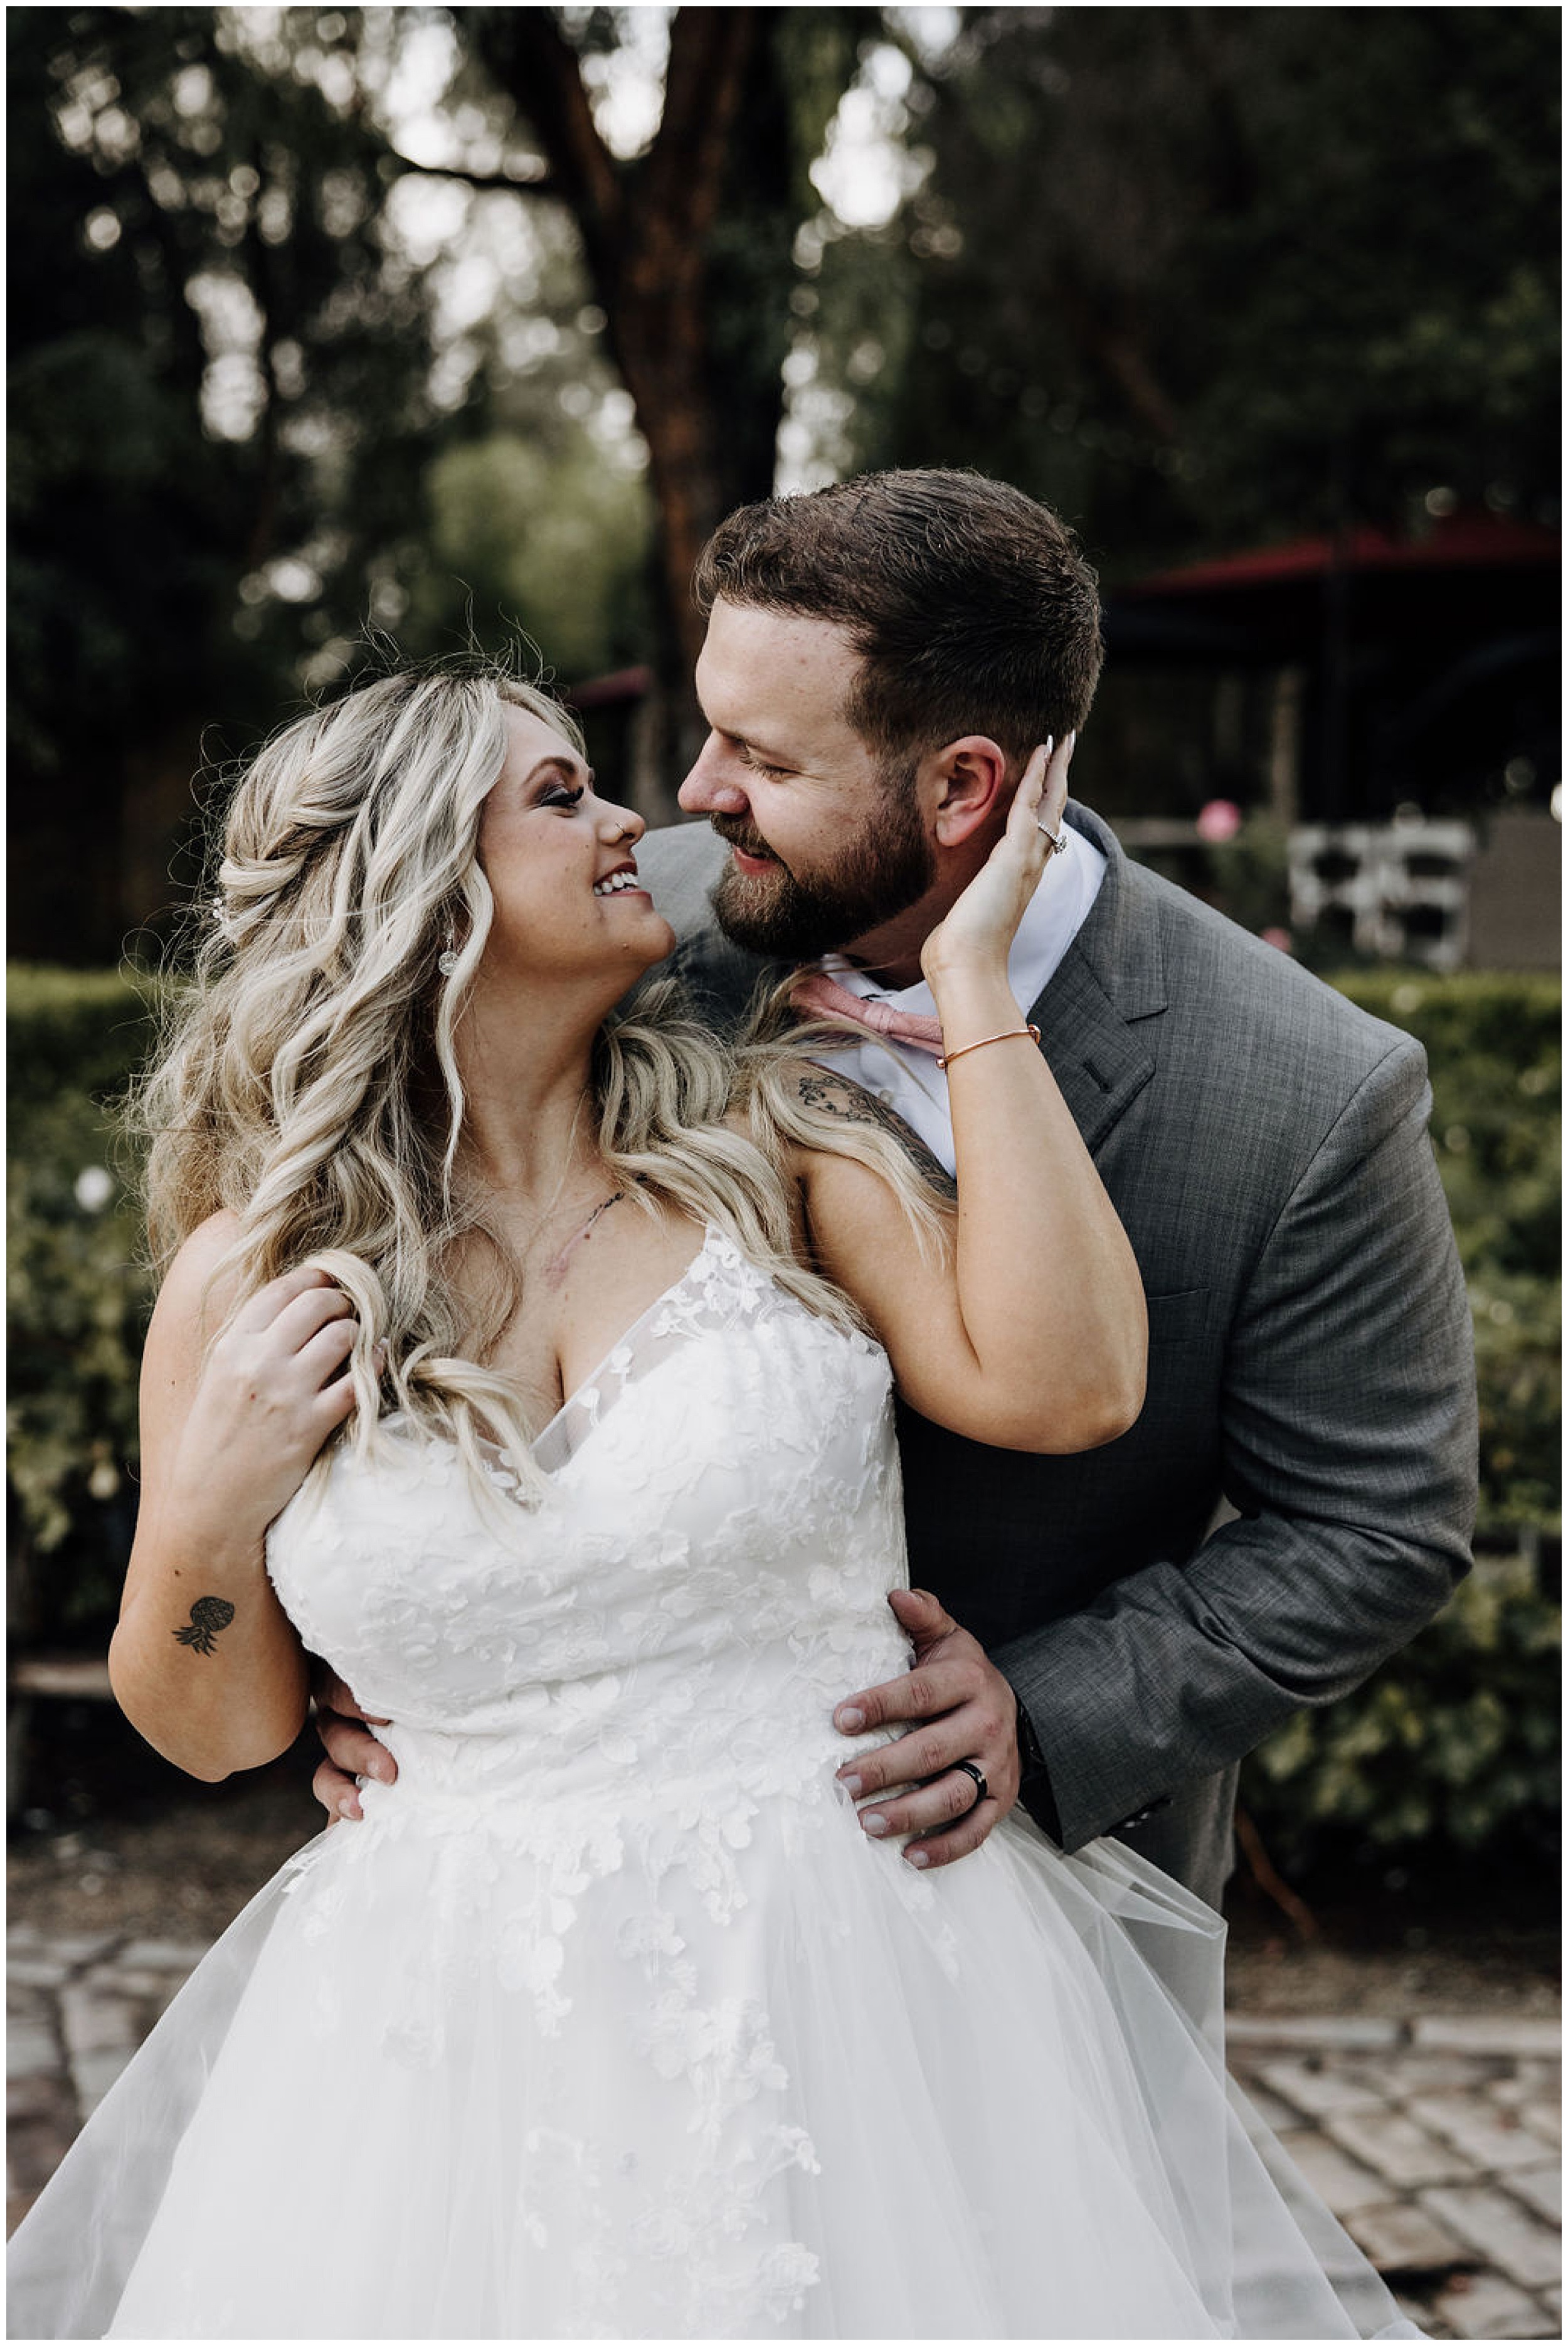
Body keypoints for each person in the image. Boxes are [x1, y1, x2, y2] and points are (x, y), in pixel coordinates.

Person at [9, 662, 1420, 2339]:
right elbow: (216, 1725)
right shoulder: (255, 1275)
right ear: (417, 885)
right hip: (447, 2032)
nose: (636, 819)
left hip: (853, 1979)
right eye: (558, 796)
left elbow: (1070, 1382)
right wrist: (207, 1510)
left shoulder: (771, 1143)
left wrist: (973, 972)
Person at [316, 469, 1478, 1913]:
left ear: (960, 786)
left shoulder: (1306, 1089)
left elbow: (1375, 1521)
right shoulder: (613, 924)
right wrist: (389, 1634)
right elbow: (399, 1227)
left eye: (764, 757)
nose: (692, 793)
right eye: (706, 725)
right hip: (591, 1870)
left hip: (1015, 1896)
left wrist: (1046, 1713)